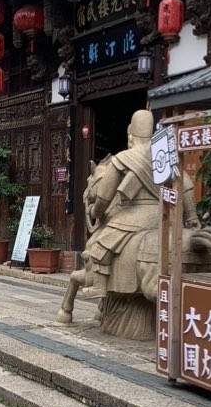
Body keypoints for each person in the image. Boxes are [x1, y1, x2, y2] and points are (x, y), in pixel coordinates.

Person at [82, 109, 199, 299]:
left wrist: (96, 211)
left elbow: (104, 197)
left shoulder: (121, 159)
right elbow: (186, 186)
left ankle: (99, 286)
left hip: (133, 216)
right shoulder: (164, 156)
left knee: (99, 246)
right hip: (165, 215)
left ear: (130, 134)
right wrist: (192, 217)